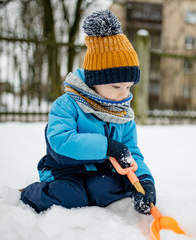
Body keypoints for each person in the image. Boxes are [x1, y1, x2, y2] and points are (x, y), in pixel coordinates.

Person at [20, 10, 156, 215]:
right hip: (65, 170)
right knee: (71, 198)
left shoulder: (122, 113)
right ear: (95, 82)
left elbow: (131, 151)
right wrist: (107, 146)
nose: (123, 95)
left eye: (128, 87)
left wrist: (144, 181)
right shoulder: (67, 105)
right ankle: (30, 194)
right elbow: (61, 140)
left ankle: (95, 191)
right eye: (116, 86)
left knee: (106, 190)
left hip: (99, 171)